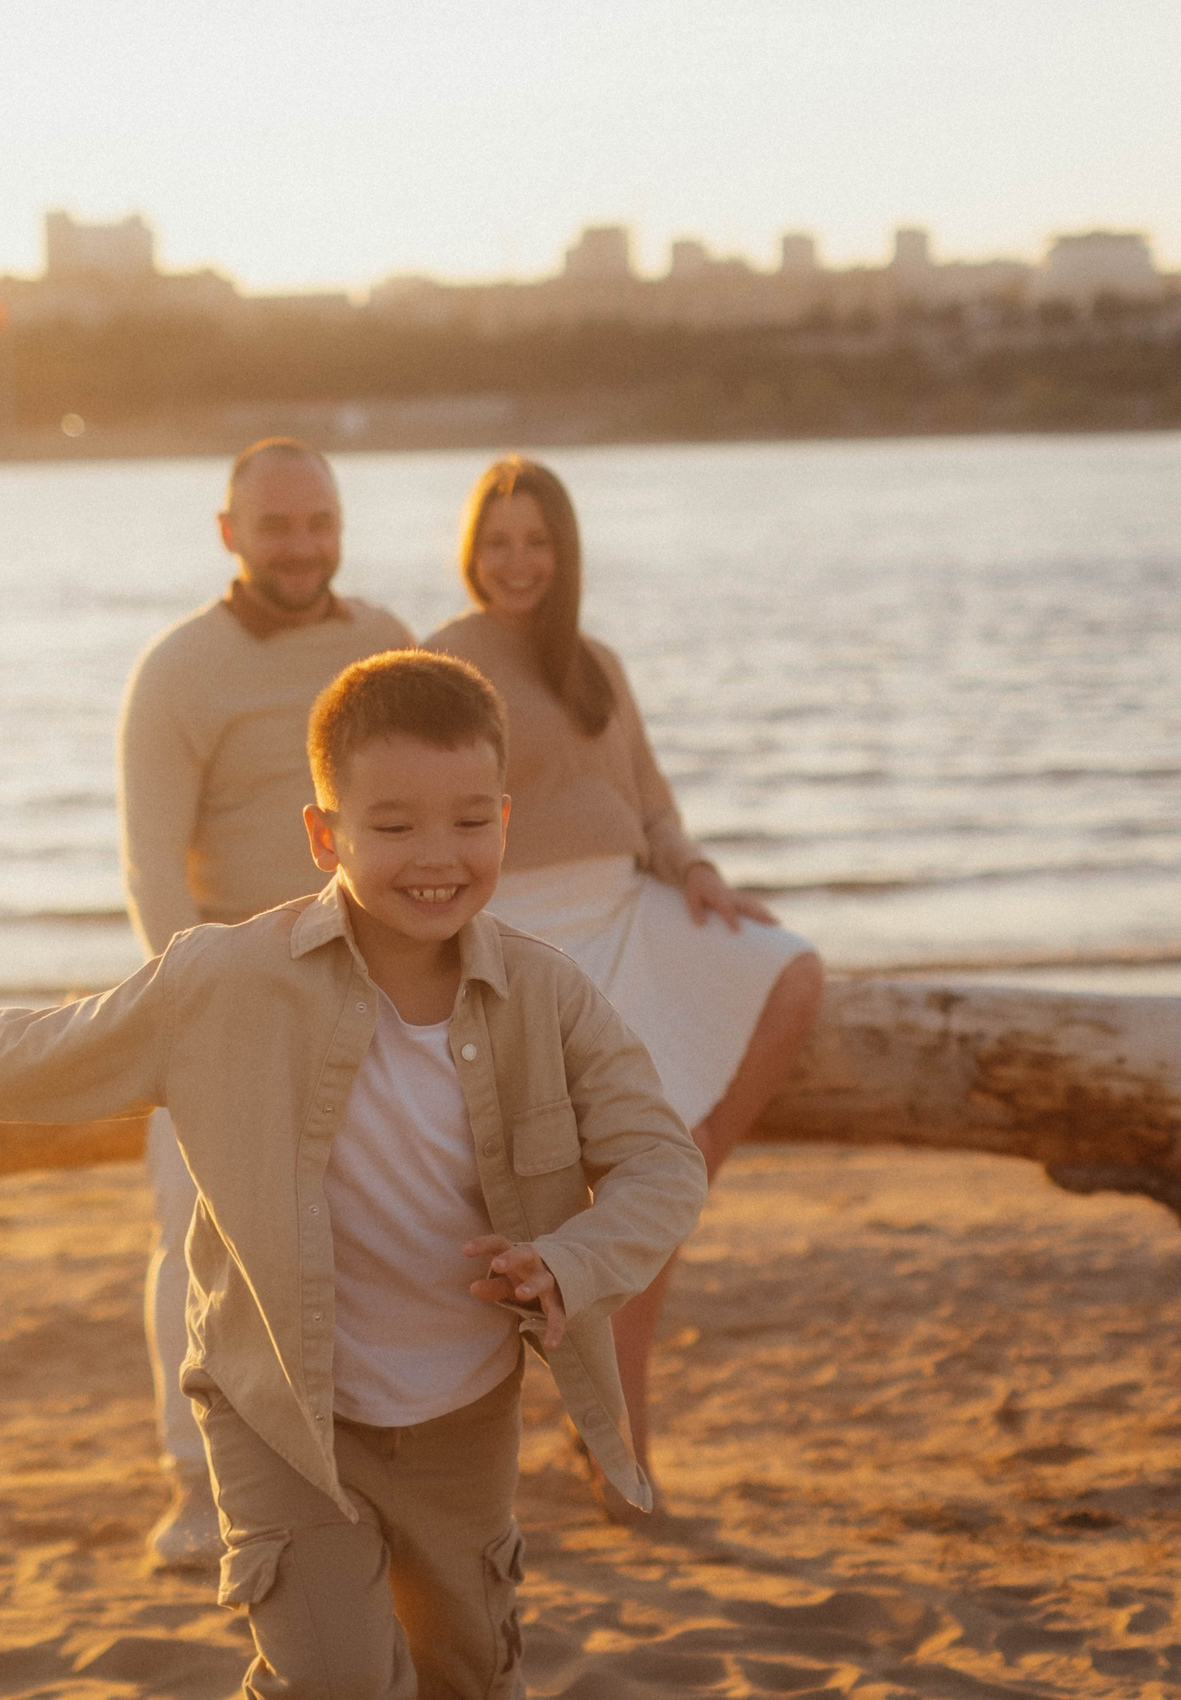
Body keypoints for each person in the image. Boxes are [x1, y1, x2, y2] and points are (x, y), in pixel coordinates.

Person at [0, 651, 706, 1699]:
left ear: (505, 819)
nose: (437, 856)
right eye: (394, 825)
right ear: (325, 835)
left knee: (466, 1674)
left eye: (470, 820)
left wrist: (568, 1260)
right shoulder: (225, 981)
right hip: (279, 1408)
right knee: (332, 1680)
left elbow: (660, 1161)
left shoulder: (549, 996)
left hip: (461, 1417)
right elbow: (41, 1051)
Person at [428, 455, 824, 1517]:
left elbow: (650, 800)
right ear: (472, 552)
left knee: (789, 969)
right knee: (622, 1212)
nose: (517, 562)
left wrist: (694, 868)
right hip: (531, 933)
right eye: (498, 542)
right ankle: (621, 1457)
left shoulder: (595, 661)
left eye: (536, 542)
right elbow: (433, 812)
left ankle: (680, 1184)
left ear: (564, 553)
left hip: (632, 908)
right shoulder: (443, 659)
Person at [117, 437, 414, 1569]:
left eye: (318, 522)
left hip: (378, 981)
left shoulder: (383, 641)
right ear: (229, 532)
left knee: (387, 1234)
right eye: (277, 525)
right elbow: (151, 865)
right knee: (200, 1237)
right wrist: (195, 1006)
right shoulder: (178, 669)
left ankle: (370, 1470)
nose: (301, 545)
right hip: (225, 992)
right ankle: (195, 1484)